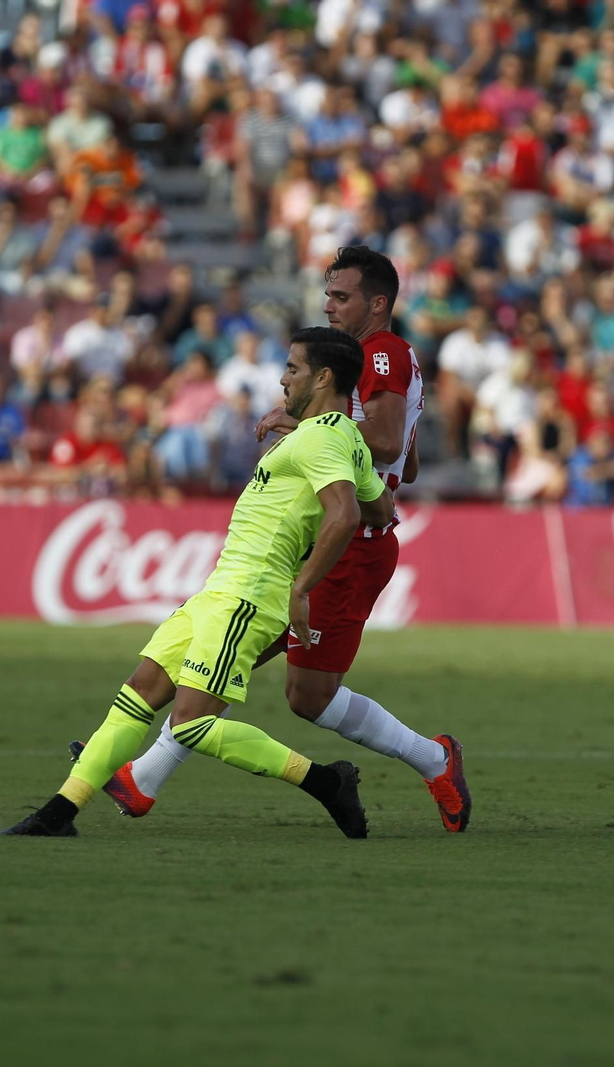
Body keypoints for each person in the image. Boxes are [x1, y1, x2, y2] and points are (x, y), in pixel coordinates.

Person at [96, 246, 473, 833]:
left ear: (378, 304)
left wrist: (306, 426)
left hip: (352, 543)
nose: (329, 306)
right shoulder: (377, 362)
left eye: (341, 297)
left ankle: (433, 759)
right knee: (232, 655)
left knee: (305, 694)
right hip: (321, 537)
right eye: (327, 295)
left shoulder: (384, 352)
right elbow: (408, 458)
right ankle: (139, 776)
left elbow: (385, 440)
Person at [3, 328, 395, 839]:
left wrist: (302, 588)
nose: (283, 378)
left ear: (323, 378)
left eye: (293, 368)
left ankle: (326, 782)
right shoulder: (338, 438)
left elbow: (345, 515)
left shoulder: (322, 438)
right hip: (218, 591)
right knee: (138, 694)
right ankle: (58, 815)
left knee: (190, 724)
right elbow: (381, 508)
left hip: (250, 596)